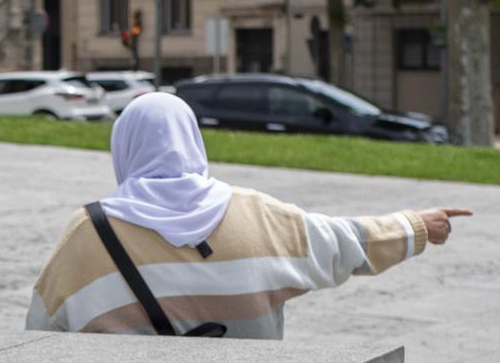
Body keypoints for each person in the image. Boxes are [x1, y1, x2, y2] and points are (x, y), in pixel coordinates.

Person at [26, 92, 471, 339]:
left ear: (123, 148)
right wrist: (416, 226)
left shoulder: (87, 233)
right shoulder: (256, 214)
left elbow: (42, 332)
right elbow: (344, 242)